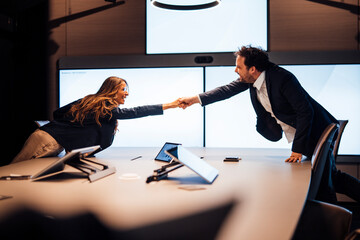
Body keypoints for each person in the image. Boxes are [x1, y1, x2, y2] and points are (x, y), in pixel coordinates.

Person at [179, 46, 360, 203]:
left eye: (238, 66)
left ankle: (331, 222)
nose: (235, 70)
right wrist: (194, 100)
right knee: (331, 178)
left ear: (253, 69)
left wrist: (297, 149)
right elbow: (225, 91)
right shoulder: (250, 80)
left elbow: (306, 112)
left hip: (319, 131)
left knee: (323, 181)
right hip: (307, 131)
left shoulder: (282, 78)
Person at [12, 76, 180, 164]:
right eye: (124, 89)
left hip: (48, 138)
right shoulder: (105, 106)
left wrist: (68, 131)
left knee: (17, 173)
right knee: (12, 174)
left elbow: (58, 113)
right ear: (112, 89)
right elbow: (134, 112)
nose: (127, 93)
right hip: (48, 140)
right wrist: (169, 105)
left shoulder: (91, 101)